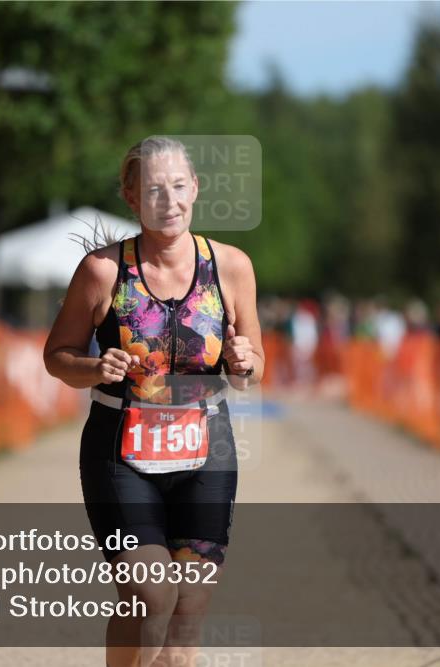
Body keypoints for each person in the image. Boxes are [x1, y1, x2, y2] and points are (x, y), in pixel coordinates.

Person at [43, 136, 265, 667]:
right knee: (152, 596)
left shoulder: (230, 267)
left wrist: (243, 360)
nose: (168, 199)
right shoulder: (102, 272)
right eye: (153, 189)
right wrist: (94, 367)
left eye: (178, 185)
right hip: (121, 452)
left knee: (188, 610)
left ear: (196, 189)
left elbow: (253, 370)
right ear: (131, 196)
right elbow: (57, 356)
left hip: (206, 452)